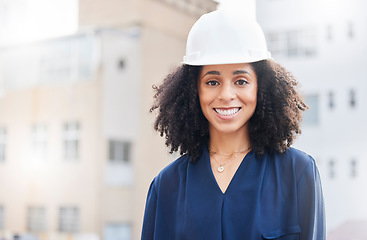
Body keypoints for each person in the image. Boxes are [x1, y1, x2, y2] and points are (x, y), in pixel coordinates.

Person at [141, 9, 325, 240]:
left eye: (241, 81)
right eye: (212, 81)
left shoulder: (297, 172)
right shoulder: (167, 186)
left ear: (261, 87)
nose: (226, 94)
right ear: (193, 90)